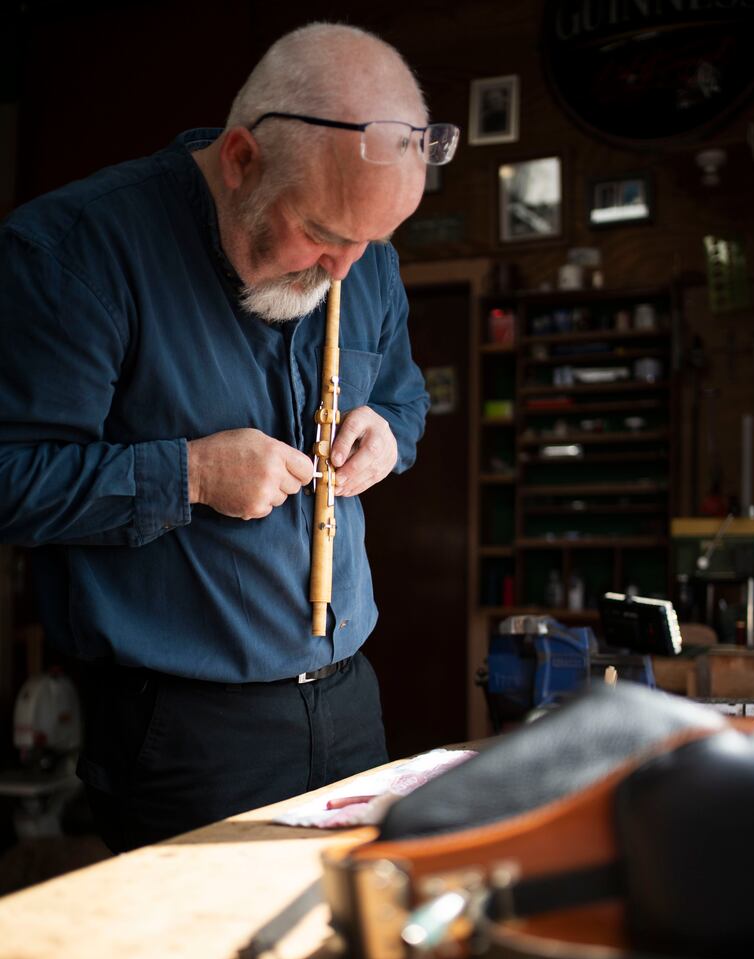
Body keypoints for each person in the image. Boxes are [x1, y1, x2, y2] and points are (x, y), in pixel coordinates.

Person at [0, 22, 460, 852]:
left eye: (371, 243)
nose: (345, 271)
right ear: (243, 160)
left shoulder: (361, 259)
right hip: (184, 732)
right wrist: (190, 476)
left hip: (351, 698)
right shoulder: (74, 254)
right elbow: (9, 478)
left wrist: (389, 436)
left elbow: (405, 398)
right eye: (321, 234)